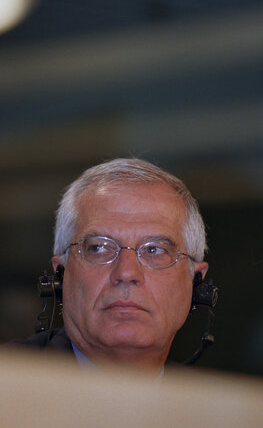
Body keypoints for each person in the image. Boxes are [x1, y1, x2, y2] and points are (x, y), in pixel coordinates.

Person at [16, 158, 209, 375]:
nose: (126, 273)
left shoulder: (215, 405)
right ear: (60, 276)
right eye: (99, 248)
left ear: (195, 283)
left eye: (154, 250)